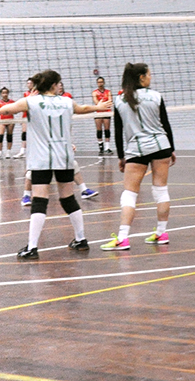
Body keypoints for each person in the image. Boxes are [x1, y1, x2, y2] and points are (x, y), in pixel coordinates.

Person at [1, 69, 111, 259]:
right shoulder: (67, 101)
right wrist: (99, 108)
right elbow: (83, 108)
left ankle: (32, 247)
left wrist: (29, 100)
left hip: (41, 159)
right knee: (68, 198)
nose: (60, 85)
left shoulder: (31, 101)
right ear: (53, 85)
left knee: (40, 200)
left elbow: (4, 110)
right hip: (64, 157)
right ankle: (81, 239)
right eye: (58, 83)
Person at [100, 63, 176, 251]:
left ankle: (123, 238)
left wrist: (120, 156)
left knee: (130, 194)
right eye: (149, 74)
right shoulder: (156, 96)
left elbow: (117, 130)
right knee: (161, 190)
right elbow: (165, 125)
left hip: (136, 149)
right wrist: (171, 148)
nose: (151, 77)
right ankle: (161, 233)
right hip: (161, 146)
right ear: (141, 77)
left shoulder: (120, 100)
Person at [92, 76, 113, 155]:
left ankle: (107, 147)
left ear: (104, 83)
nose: (100, 83)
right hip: (98, 112)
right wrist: (104, 104)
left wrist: (102, 104)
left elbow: (110, 101)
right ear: (97, 83)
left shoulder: (108, 92)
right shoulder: (94, 92)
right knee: (99, 130)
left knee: (107, 130)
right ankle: (101, 147)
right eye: (99, 82)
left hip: (107, 112)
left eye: (101, 82)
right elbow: (96, 102)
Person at [0, 87, 13, 159]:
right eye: (3, 93)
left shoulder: (11, 102)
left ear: (8, 93)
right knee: (0, 136)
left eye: (6, 93)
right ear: (1, 94)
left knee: (9, 136)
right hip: (2, 120)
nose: (5, 94)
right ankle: (0, 152)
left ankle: (8, 152)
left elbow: (16, 110)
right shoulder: (0, 102)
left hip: (10, 120)